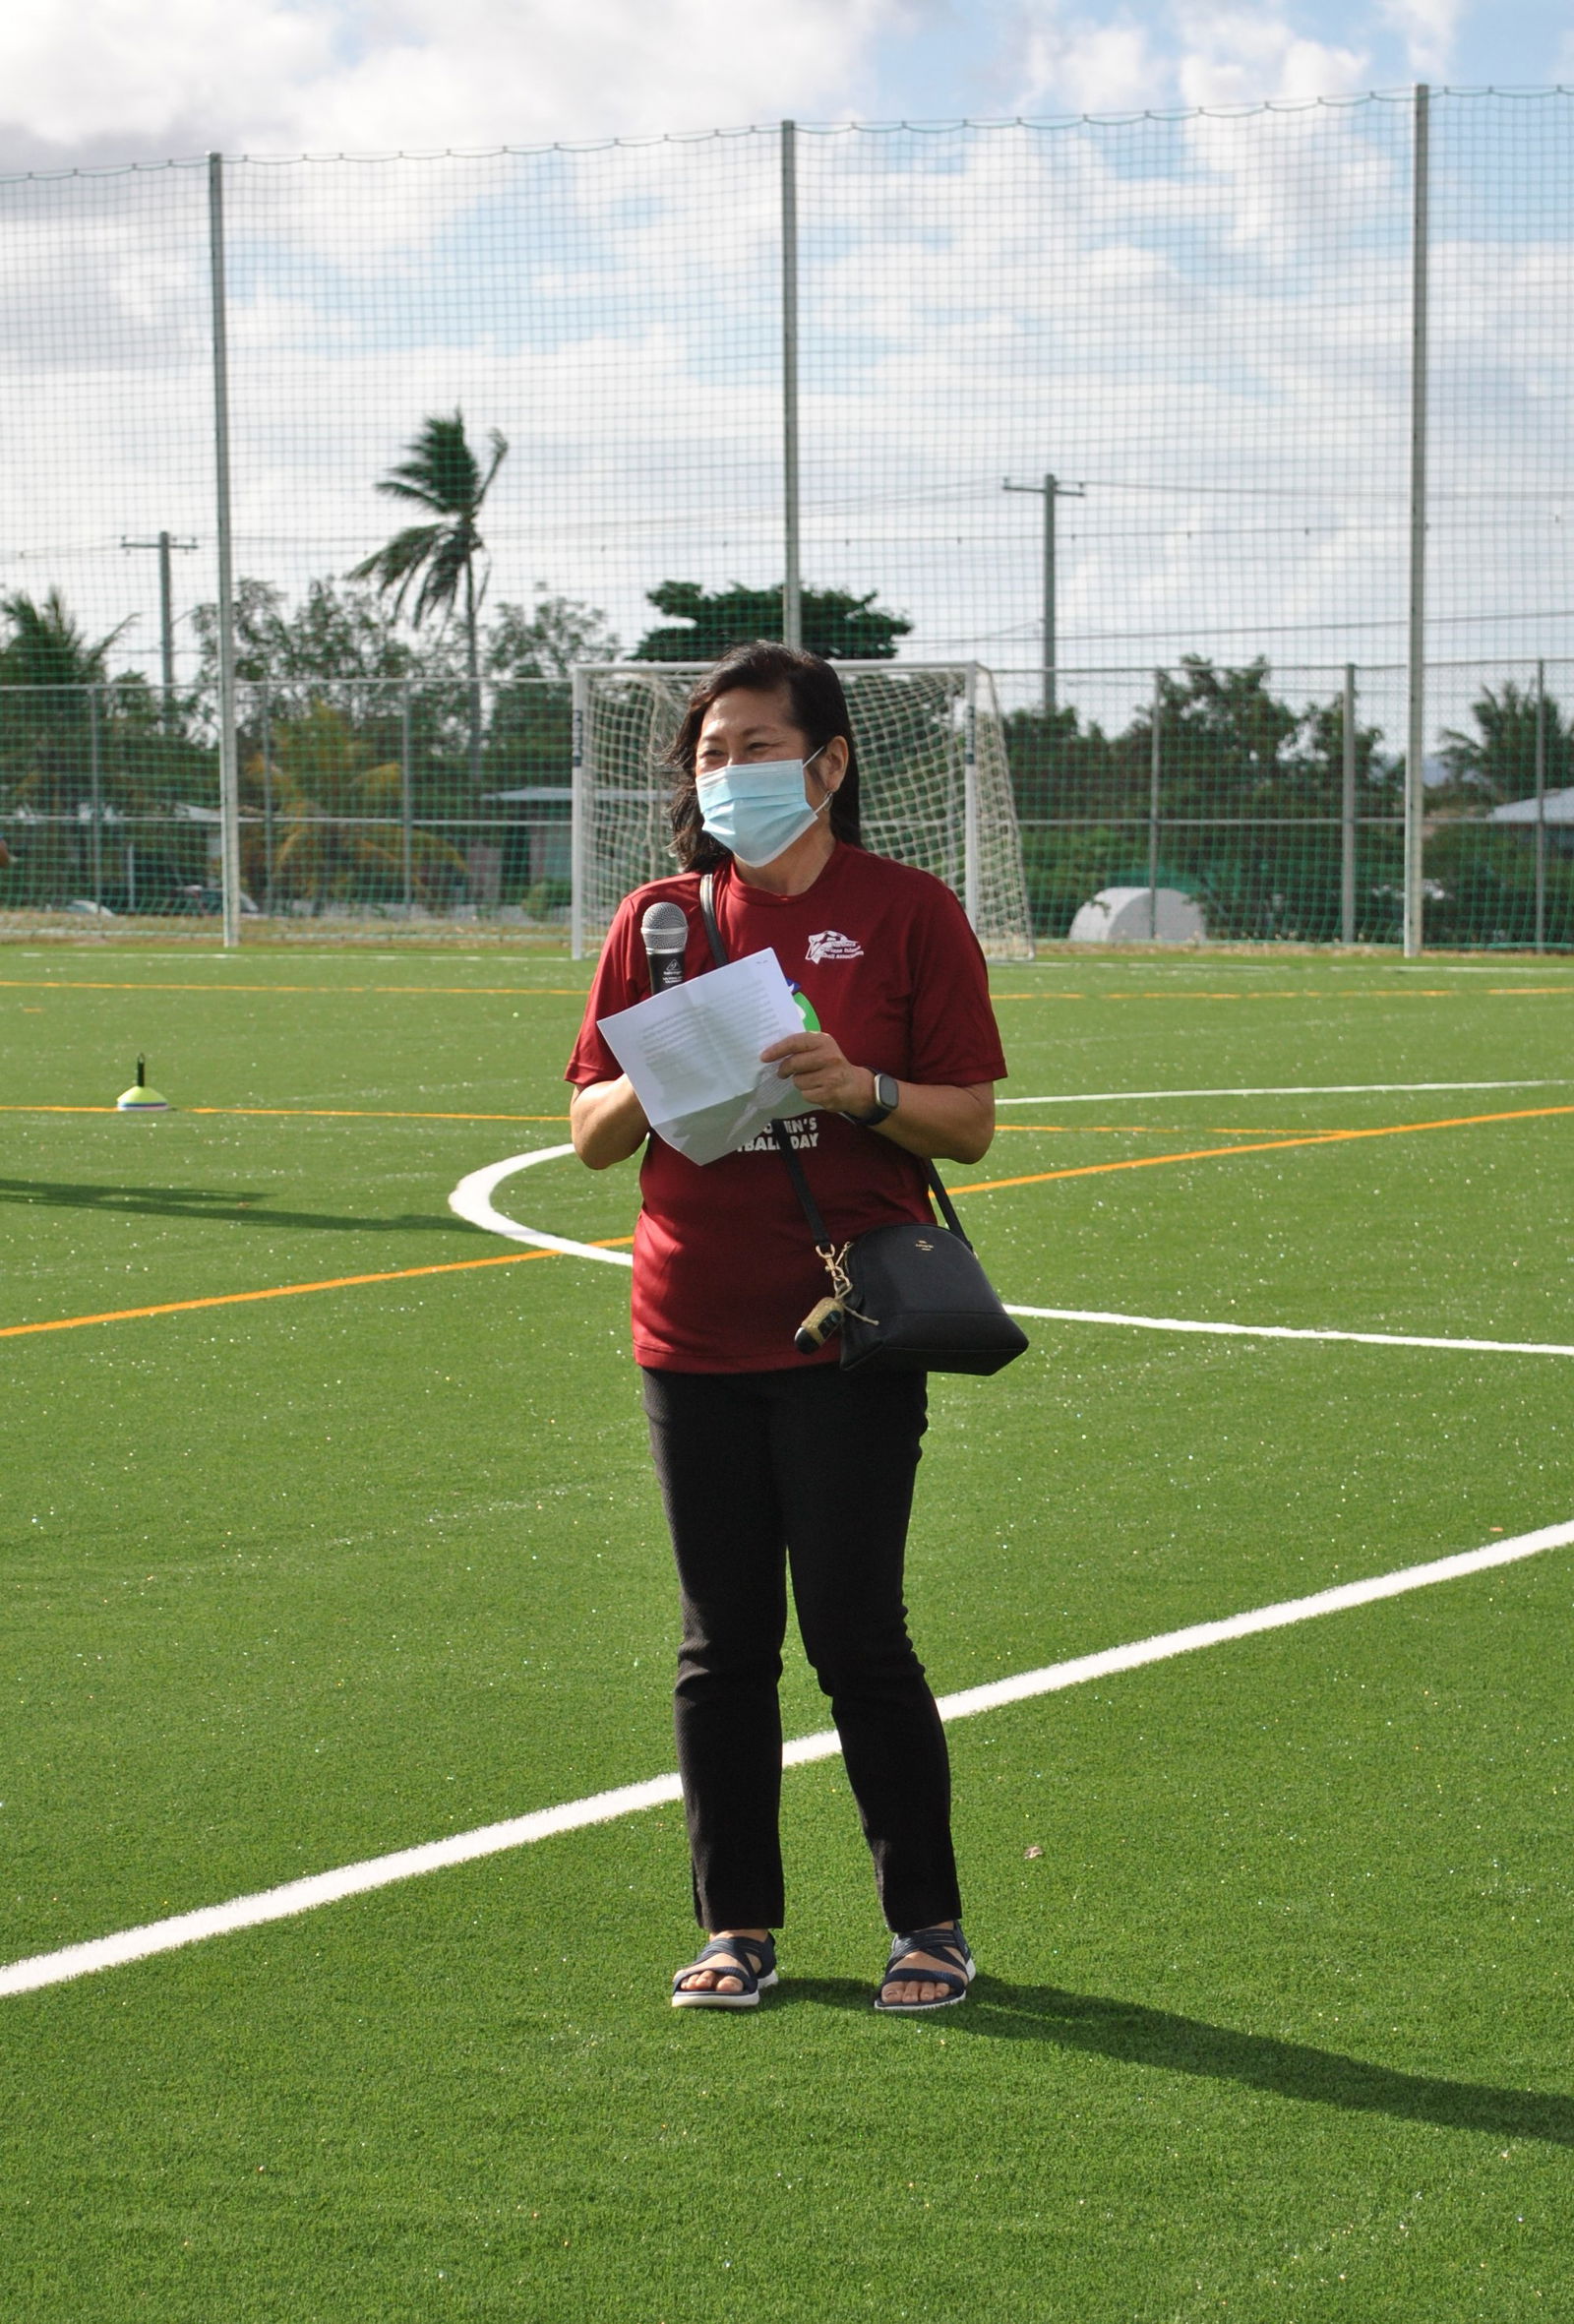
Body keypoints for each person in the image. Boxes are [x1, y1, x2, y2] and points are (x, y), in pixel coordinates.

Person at [566, 642, 1008, 2012]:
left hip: (845, 1325)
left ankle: (926, 1923)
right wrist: (657, 1071)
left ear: (829, 761)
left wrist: (856, 1080)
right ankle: (735, 1927)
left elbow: (970, 1121)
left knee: (859, 1633)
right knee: (720, 1643)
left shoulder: (909, 911)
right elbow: (586, 1132)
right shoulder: (654, 920)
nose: (732, 773)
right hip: (688, 1325)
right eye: (711, 751)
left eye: (759, 746)